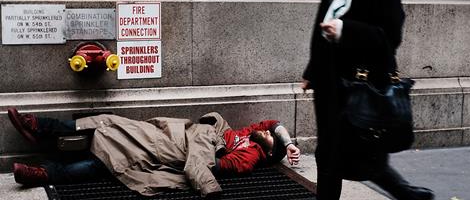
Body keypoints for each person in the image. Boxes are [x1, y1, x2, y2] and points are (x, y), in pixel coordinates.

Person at [301, 0, 434, 199]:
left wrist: (346, 30)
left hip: (359, 81)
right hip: (329, 81)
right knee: (332, 155)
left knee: (351, 155)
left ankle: (410, 195)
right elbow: (322, 19)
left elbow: (391, 34)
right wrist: (312, 70)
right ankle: (409, 195)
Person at [7, 107, 300, 197]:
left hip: (172, 152)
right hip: (171, 134)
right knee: (108, 124)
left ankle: (43, 172)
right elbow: (273, 122)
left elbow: (209, 164)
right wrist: (286, 143)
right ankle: (41, 129)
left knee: (114, 162)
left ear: (267, 151)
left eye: (269, 136)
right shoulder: (250, 135)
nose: (265, 129)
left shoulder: (248, 158)